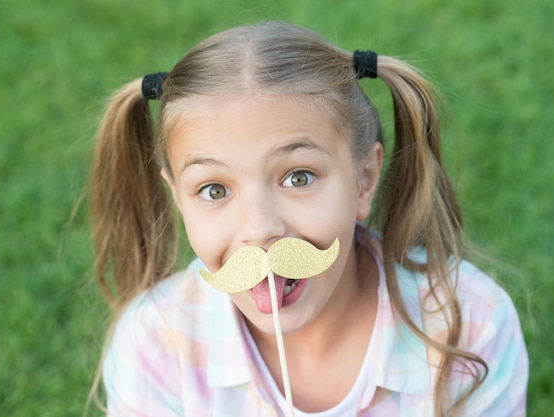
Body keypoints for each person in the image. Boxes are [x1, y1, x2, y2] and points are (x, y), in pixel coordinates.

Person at [89, 21, 528, 417]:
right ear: (179, 200)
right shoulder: (156, 343)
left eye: (299, 178)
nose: (260, 229)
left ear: (364, 180)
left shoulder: (469, 326)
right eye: (214, 190)